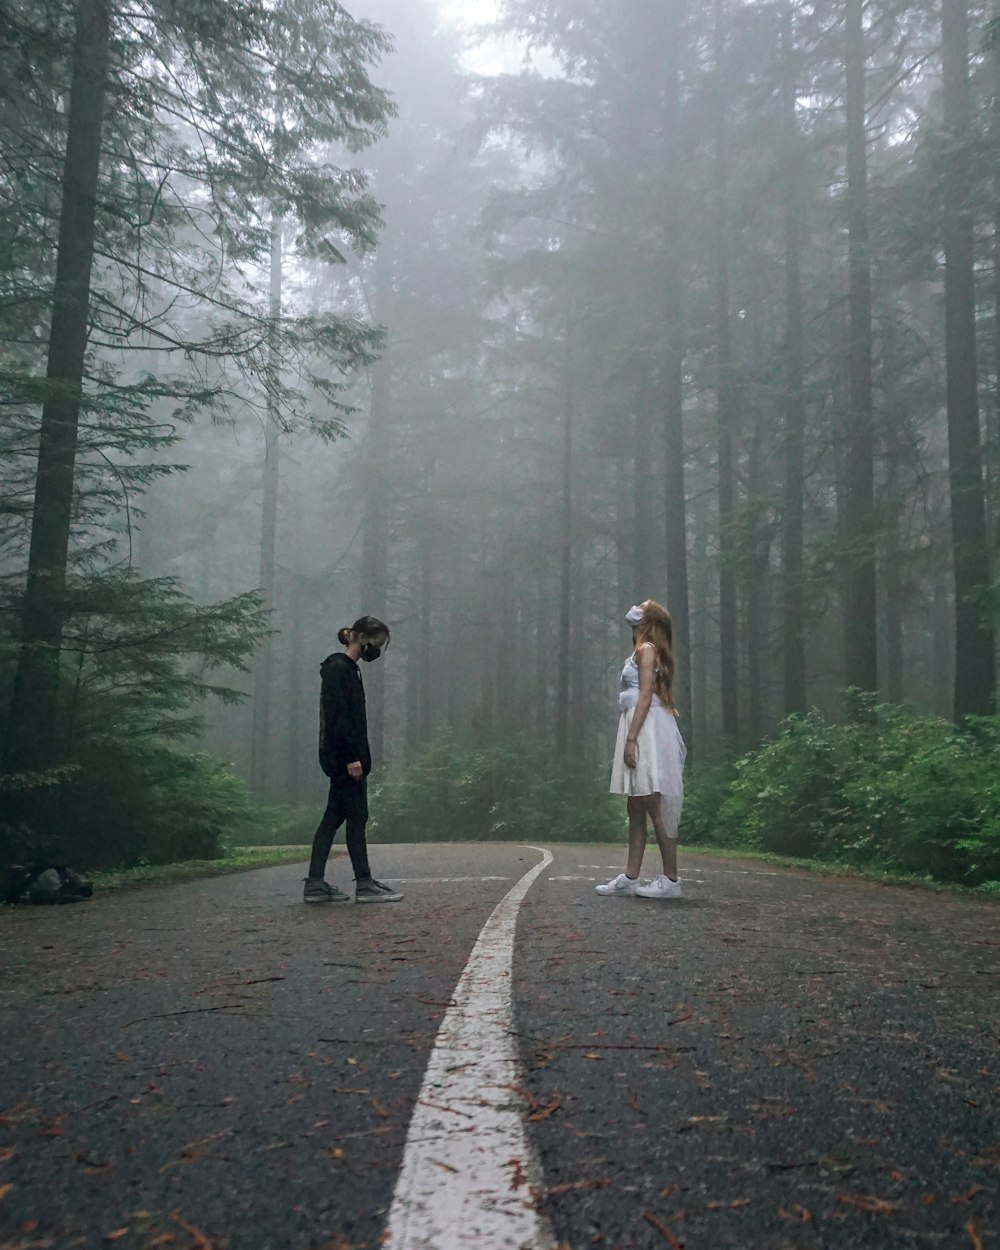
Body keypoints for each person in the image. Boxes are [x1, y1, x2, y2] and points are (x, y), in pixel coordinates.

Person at [303, 615, 403, 905]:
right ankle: (364, 883)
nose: (376, 650)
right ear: (361, 637)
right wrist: (351, 757)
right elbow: (338, 718)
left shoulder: (348, 670)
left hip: (347, 758)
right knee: (356, 818)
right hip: (345, 760)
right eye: (375, 643)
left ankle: (316, 883)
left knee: (334, 818)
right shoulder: (338, 669)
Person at [597, 599, 687, 899]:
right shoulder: (643, 650)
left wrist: (632, 738)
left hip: (644, 727)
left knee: (652, 803)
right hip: (638, 723)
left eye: (642, 606)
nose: (634, 607)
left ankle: (671, 879)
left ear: (647, 620)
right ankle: (631, 876)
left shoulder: (646, 650)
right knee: (635, 804)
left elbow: (646, 696)